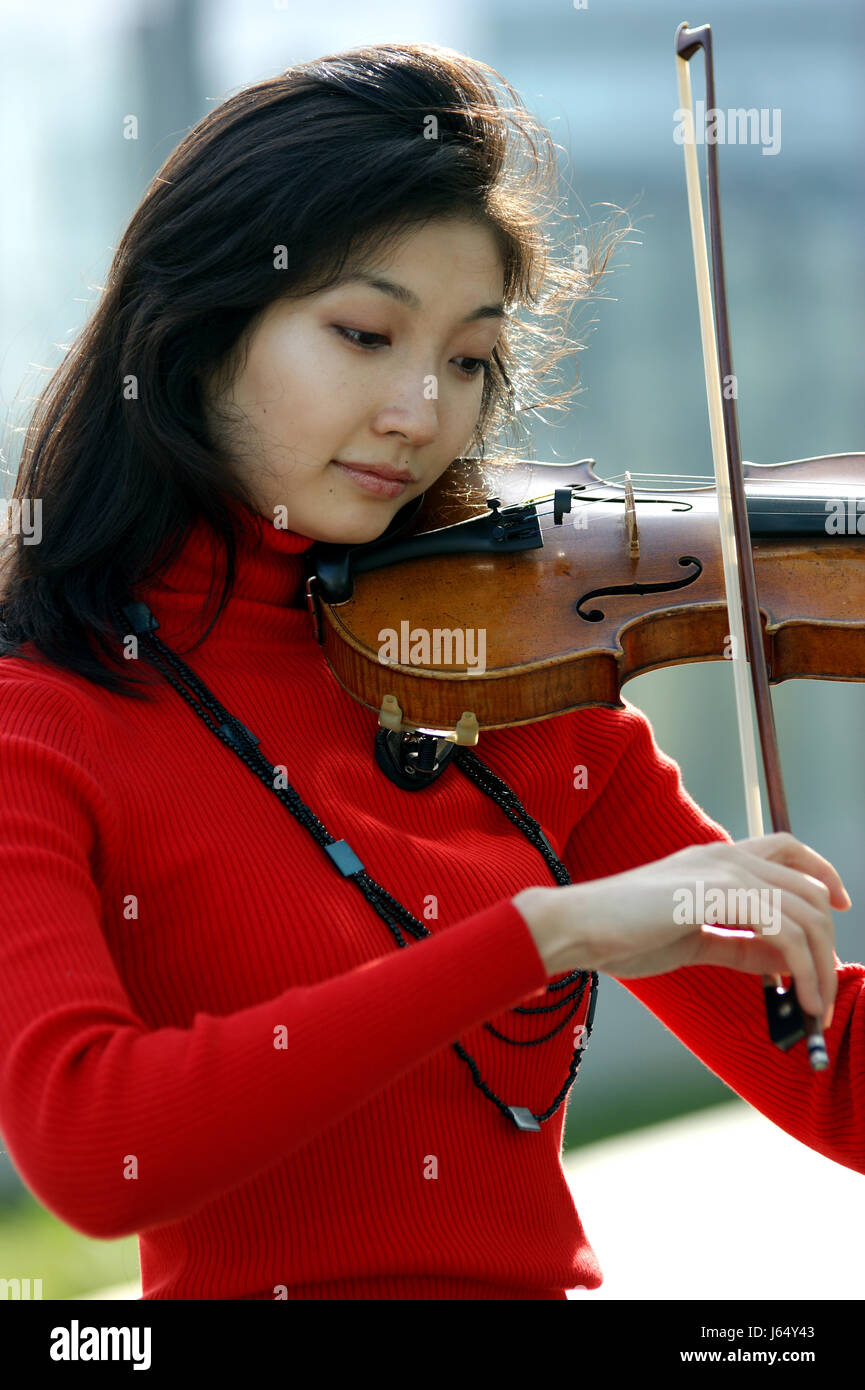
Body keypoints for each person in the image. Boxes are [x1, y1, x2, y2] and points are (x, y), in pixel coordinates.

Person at [0, 42, 860, 1304]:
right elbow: (95, 1148)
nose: (422, 410)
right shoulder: (48, 722)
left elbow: (829, 1069)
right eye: (364, 333)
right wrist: (545, 931)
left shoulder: (522, 683)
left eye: (466, 360)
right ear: (193, 331)